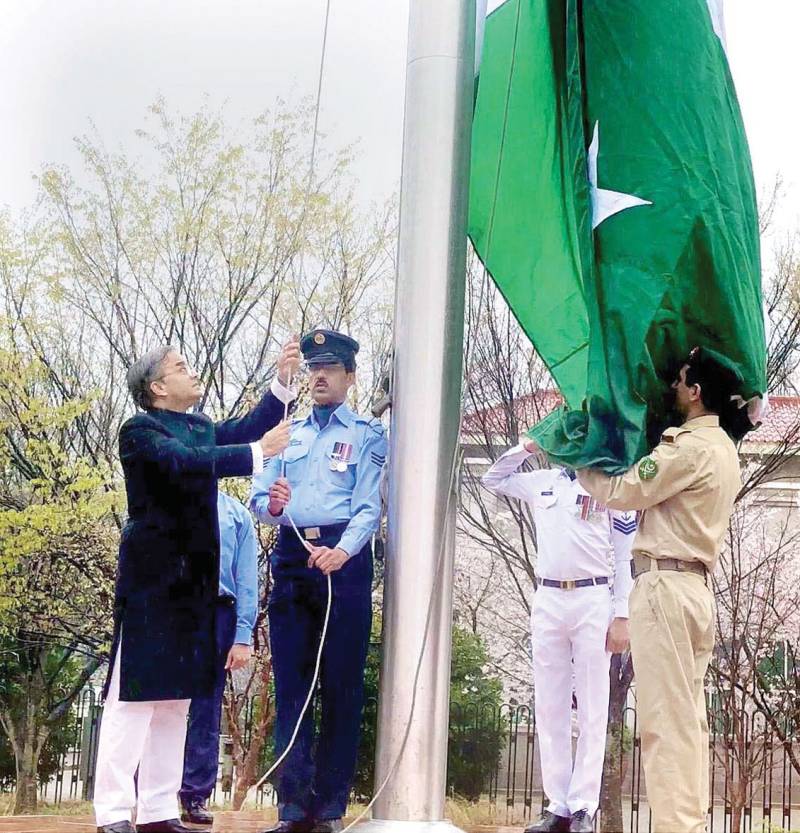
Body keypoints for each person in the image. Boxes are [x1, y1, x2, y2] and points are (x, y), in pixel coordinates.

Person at [94, 340, 299, 833]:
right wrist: (257, 452)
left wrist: (283, 382)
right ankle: (113, 812)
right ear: (158, 387)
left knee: (174, 704)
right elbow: (186, 461)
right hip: (151, 586)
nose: (192, 372)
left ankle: (159, 810)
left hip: (195, 589)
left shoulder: (199, 428)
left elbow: (244, 429)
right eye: (180, 367)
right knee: (132, 701)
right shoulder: (140, 431)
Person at [577, 346, 744, 833]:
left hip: (665, 588)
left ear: (695, 393)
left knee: (663, 723)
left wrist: (580, 460)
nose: (672, 387)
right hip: (694, 590)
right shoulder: (723, 448)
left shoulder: (689, 448)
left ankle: (676, 826)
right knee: (688, 721)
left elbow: (625, 490)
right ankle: (687, 822)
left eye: (681, 380)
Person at [250, 329, 387, 833]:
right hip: (292, 554)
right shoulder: (289, 430)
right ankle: (291, 808)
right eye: (314, 369)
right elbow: (258, 499)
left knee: (342, 684)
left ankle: (329, 808)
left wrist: (343, 551)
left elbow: (369, 506)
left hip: (343, 560)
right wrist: (273, 505)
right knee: (292, 684)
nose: (320, 377)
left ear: (350, 377)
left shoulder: (368, 433)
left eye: (330, 368)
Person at [482, 444, 636, 833]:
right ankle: (558, 805)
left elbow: (623, 556)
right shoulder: (543, 482)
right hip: (548, 595)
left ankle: (584, 804)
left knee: (591, 705)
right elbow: (493, 478)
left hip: (592, 597)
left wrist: (622, 613)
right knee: (549, 705)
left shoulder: (607, 484)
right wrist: (527, 446)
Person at [179, 491, 259, 826]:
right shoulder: (169, 499)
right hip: (173, 607)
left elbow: (246, 579)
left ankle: (195, 794)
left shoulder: (237, 514)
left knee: (205, 708)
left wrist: (242, 636)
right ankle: (147, 791)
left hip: (217, 612)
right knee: (157, 703)